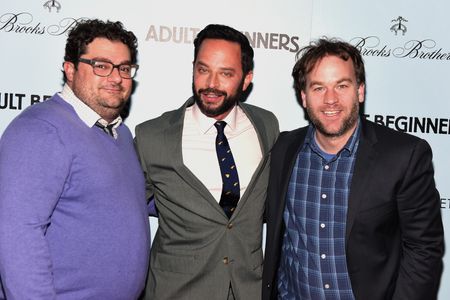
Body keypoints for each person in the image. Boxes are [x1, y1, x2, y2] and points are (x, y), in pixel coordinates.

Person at [262, 38, 444, 300]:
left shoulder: (404, 156)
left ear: (360, 90)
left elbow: (424, 248)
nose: (330, 100)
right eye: (318, 88)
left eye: (342, 86)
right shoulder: (284, 149)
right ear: (304, 97)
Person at [0, 19, 152, 299]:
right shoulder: (42, 130)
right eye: (101, 65)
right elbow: (17, 235)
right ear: (70, 69)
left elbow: (123, 200)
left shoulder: (119, 133)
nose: (116, 77)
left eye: (124, 68)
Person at [135, 24, 279, 299]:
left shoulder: (267, 126)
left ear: (246, 79)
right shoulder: (152, 137)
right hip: (176, 291)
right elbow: (123, 216)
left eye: (225, 73)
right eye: (203, 70)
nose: (212, 84)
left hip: (249, 290)